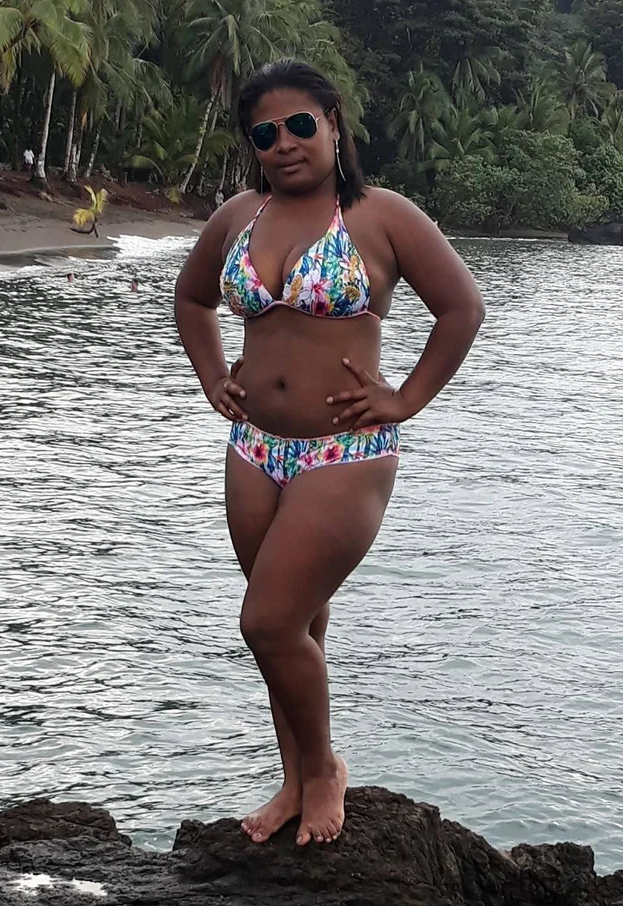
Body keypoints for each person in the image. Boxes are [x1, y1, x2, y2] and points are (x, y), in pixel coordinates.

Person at [174, 59, 484, 848]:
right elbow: (192, 297)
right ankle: (294, 778)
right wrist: (212, 376)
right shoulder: (238, 215)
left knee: (267, 622)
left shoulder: (381, 216)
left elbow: (462, 309)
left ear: (334, 122)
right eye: (264, 133)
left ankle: (323, 772)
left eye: (300, 125)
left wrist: (405, 398)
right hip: (255, 449)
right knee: (296, 627)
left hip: (345, 451)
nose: (283, 143)